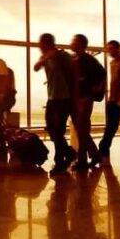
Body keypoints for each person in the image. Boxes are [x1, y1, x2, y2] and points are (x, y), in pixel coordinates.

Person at [34, 33, 76, 175]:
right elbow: (36, 67)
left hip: (64, 98)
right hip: (52, 98)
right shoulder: (46, 57)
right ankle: (69, 152)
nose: (39, 47)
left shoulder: (62, 56)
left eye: (41, 44)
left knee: (58, 131)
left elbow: (74, 71)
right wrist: (45, 58)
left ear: (47, 43)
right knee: (52, 130)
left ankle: (60, 161)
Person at [70, 34, 105, 171]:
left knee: (82, 129)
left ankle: (82, 161)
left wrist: (97, 87)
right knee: (81, 130)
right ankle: (95, 155)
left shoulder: (87, 59)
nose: (72, 43)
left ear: (81, 44)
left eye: (74, 41)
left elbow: (102, 73)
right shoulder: (74, 59)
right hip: (76, 98)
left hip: (84, 98)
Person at [98, 40, 120, 165]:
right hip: (113, 101)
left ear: (118, 49)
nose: (110, 51)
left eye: (112, 48)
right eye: (108, 49)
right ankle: (103, 152)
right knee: (110, 129)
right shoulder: (112, 63)